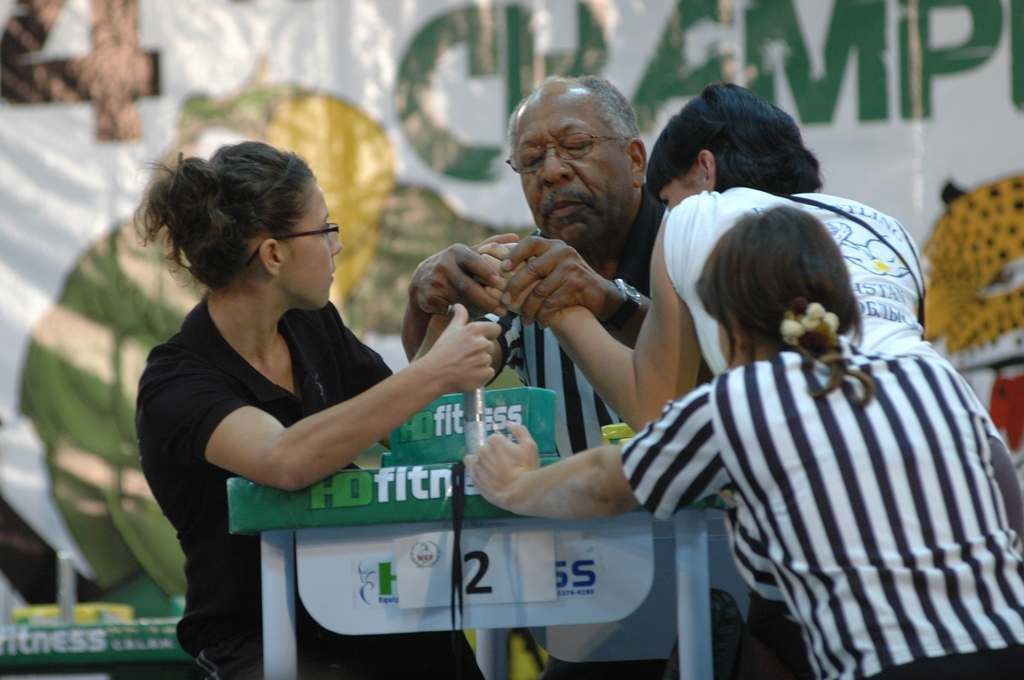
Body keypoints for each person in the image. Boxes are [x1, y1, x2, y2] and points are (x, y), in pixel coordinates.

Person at [466, 206, 1024, 680]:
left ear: (725, 322)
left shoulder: (743, 399)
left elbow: (605, 483)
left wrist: (514, 483)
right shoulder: (930, 376)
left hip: (888, 663)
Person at [134, 141, 496, 679]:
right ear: (274, 254)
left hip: (365, 601)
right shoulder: (177, 381)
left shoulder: (311, 325)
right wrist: (438, 369)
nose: (337, 245)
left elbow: (401, 421)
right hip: (258, 638)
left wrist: (434, 307)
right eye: (324, 229)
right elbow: (284, 458)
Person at [402, 75, 676, 678]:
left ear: (635, 160)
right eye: (530, 160)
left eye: (574, 146)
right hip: (588, 579)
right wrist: (426, 301)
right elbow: (428, 389)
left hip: (705, 552)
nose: (551, 172)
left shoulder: (688, 245)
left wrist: (611, 301)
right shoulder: (520, 270)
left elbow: (717, 363)